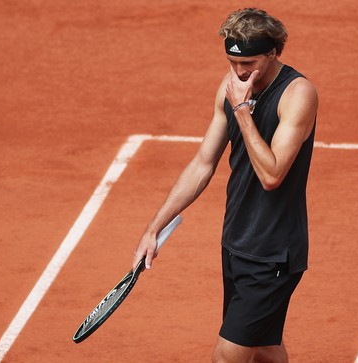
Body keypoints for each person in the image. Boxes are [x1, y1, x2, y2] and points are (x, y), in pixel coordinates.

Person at [132, 8, 318, 363]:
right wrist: (154, 228)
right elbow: (203, 164)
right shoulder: (230, 87)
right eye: (233, 63)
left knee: (227, 356)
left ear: (274, 53)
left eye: (249, 63)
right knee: (263, 348)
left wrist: (243, 112)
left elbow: (272, 175)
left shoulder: (298, 95)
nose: (240, 72)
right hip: (236, 242)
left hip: (274, 252)